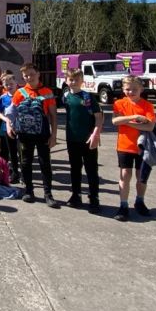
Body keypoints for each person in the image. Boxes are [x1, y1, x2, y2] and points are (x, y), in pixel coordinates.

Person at [7, 62, 60, 208]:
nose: (29, 77)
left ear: (38, 74)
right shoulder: (19, 92)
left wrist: (53, 135)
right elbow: (11, 112)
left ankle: (48, 194)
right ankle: (29, 191)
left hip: (42, 133)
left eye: (31, 74)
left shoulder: (47, 92)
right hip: (24, 134)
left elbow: (53, 116)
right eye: (25, 76)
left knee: (45, 163)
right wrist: (8, 125)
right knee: (25, 162)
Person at [111, 75, 156, 222]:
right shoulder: (119, 103)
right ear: (123, 89)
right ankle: (123, 205)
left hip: (143, 147)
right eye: (128, 89)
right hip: (124, 146)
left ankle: (140, 201)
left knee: (141, 177)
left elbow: (150, 126)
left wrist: (128, 122)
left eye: (134, 89)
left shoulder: (147, 105)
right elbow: (115, 121)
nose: (131, 92)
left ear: (141, 89)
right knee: (125, 175)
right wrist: (135, 117)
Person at [62, 68, 103, 213]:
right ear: (66, 81)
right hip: (72, 139)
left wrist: (95, 135)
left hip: (88, 139)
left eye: (76, 80)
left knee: (91, 169)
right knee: (75, 168)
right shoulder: (65, 97)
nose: (73, 82)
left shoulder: (88, 97)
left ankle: (94, 198)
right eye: (70, 79)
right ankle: (76, 195)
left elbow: (99, 117)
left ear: (82, 81)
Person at [0, 72, 21, 184]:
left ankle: (24, 174)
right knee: (12, 152)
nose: (9, 86)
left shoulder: (22, 95)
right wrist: (6, 120)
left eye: (11, 83)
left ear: (16, 83)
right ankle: (14, 173)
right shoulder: (3, 97)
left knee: (22, 152)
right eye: (7, 84)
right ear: (4, 86)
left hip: (21, 128)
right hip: (8, 128)